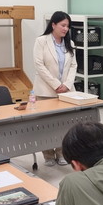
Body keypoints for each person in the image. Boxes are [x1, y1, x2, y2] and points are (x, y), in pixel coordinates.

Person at [33, 11, 78, 166]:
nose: (66, 29)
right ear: (53, 24)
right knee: (45, 125)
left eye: (68, 26)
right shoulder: (41, 41)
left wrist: (67, 84)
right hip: (45, 91)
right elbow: (39, 65)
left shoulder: (70, 43)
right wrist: (56, 84)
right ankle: (48, 156)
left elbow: (73, 66)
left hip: (65, 91)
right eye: (63, 25)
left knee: (64, 124)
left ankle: (61, 153)